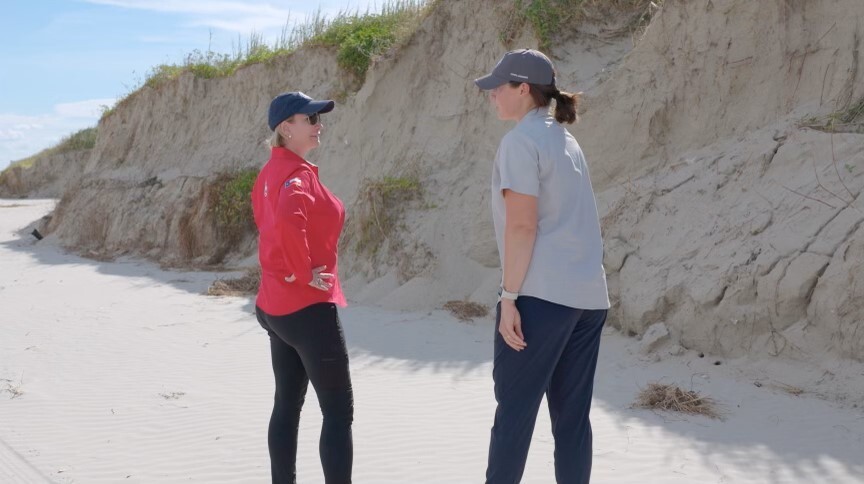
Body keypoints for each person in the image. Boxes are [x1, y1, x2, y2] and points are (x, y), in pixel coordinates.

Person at [474, 49, 611, 484]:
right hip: (588, 299)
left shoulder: (521, 142)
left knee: (513, 417)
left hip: (541, 298)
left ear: (524, 89)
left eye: (500, 87)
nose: (493, 94)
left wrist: (508, 297)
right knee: (572, 423)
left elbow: (521, 226)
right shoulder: (566, 140)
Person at [252, 91, 353, 484]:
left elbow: (268, 228)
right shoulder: (295, 176)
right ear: (285, 128)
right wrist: (301, 271)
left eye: (317, 118)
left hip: (274, 308)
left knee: (287, 405)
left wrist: (286, 272)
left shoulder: (269, 173)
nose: (318, 124)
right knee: (338, 412)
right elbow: (289, 222)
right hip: (306, 309)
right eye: (309, 119)